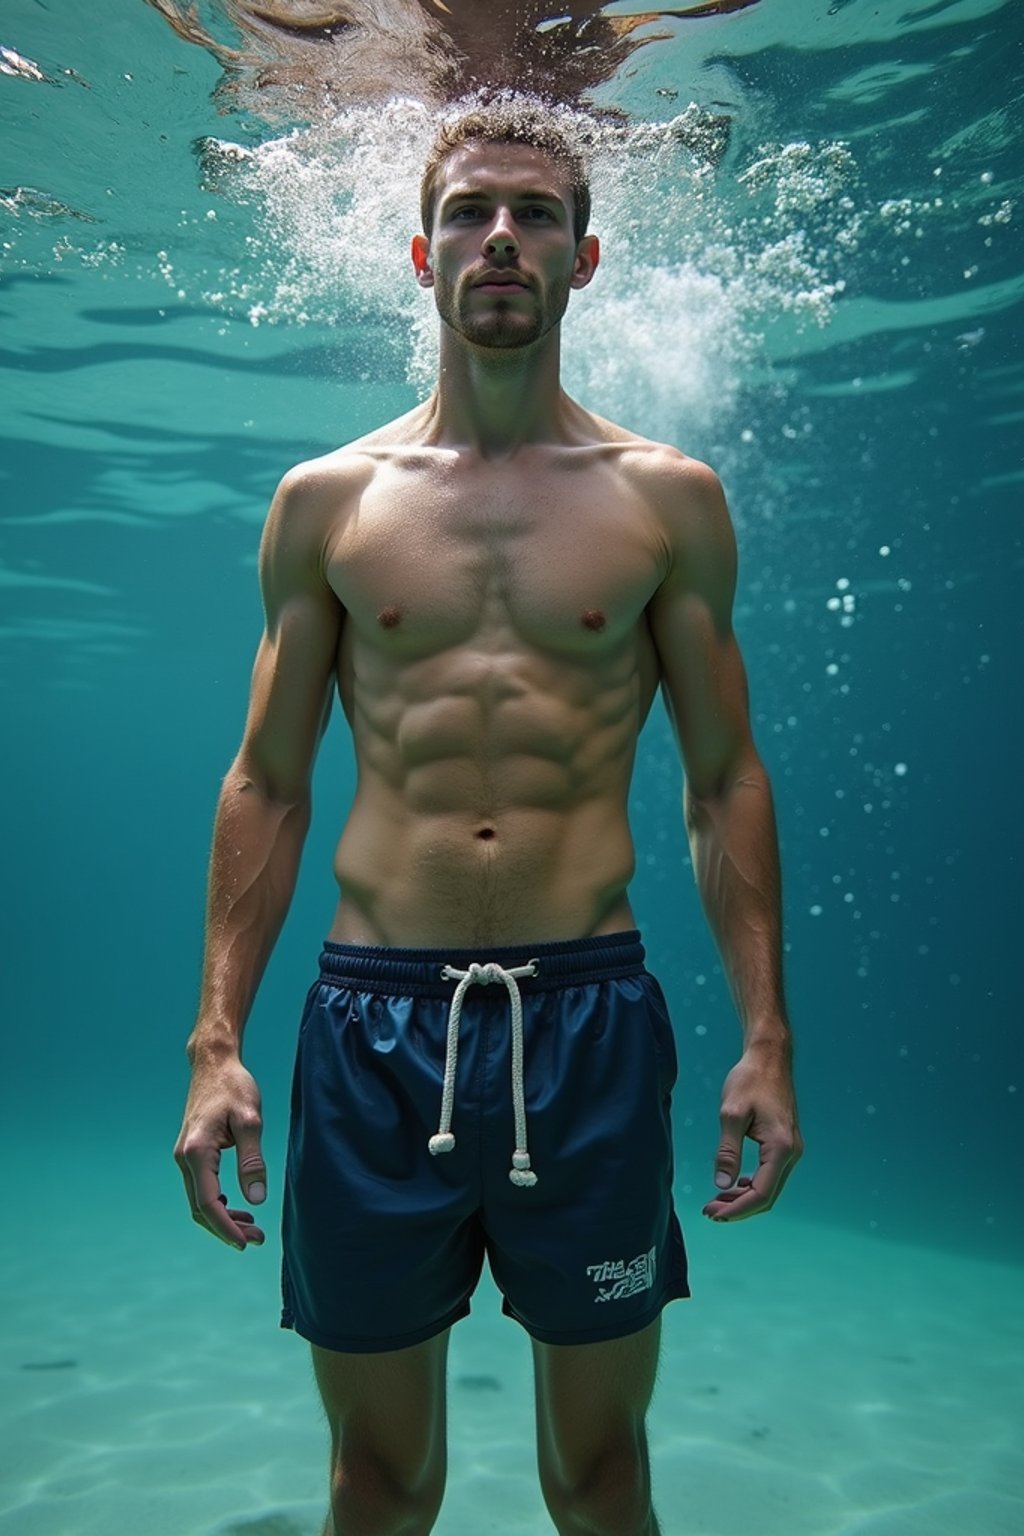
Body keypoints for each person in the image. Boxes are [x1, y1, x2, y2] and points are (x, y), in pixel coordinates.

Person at [174, 99, 802, 1536]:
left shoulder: (669, 502)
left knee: (600, 1475)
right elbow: (267, 779)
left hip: (585, 1026)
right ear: (419, 253)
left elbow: (725, 780)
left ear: (586, 257)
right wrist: (215, 1040)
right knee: (380, 1482)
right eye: (470, 211)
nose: (501, 237)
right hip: (371, 1030)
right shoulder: (327, 502)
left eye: (533, 214)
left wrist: (769, 1041)